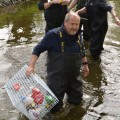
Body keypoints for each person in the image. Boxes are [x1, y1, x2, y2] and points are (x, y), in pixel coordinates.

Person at [26, 12, 89, 113]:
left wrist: (85, 65)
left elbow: (82, 50)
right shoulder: (53, 35)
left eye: (77, 24)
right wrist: (31, 66)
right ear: (65, 23)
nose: (75, 27)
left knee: (77, 102)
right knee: (54, 108)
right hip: (56, 79)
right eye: (72, 24)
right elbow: (37, 49)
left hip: (74, 78)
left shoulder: (79, 35)